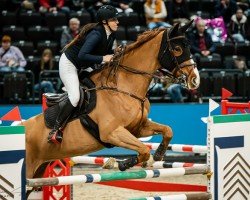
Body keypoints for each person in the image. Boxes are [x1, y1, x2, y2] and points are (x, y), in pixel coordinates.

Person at [47, 5, 120, 144]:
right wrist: (103, 58)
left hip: (85, 65)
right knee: (75, 97)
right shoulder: (96, 34)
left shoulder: (111, 34)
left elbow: (107, 52)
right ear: (104, 21)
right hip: (70, 64)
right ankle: (56, 130)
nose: (117, 22)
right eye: (114, 19)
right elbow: (82, 55)